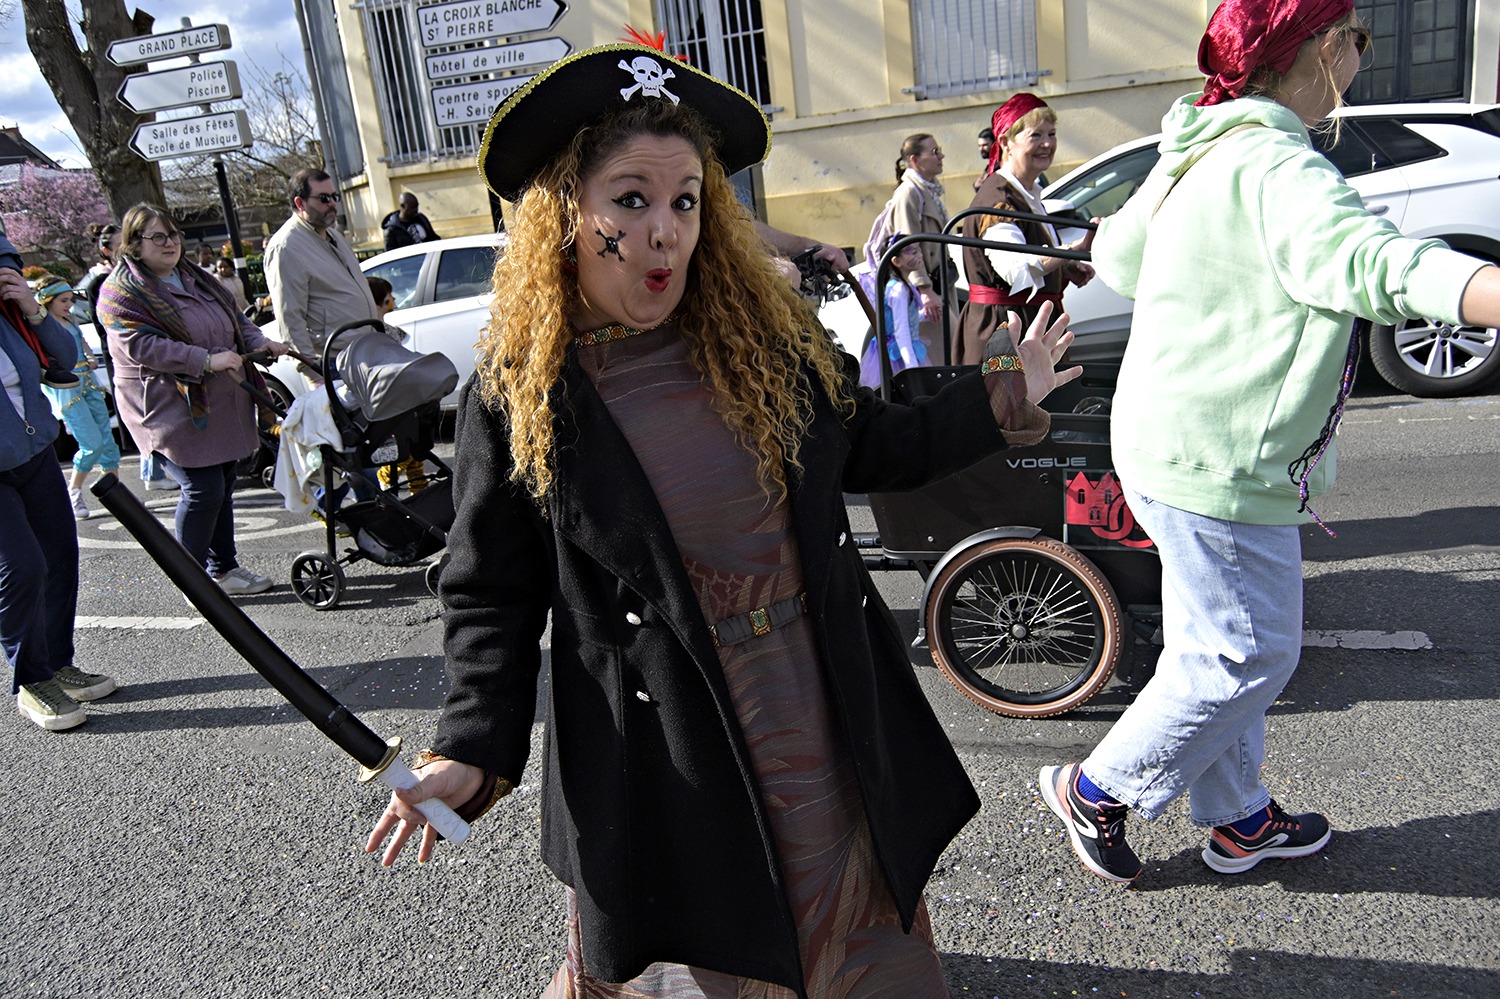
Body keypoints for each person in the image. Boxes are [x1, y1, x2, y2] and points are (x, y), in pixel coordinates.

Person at [363, 41, 1080, 997]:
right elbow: (490, 589)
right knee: (710, 943)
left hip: (814, 700)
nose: (665, 232)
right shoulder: (521, 394)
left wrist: (999, 393)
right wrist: (470, 742)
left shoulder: (765, 344)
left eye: (687, 201)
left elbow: (872, 441)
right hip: (670, 739)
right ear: (567, 214)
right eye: (630, 200)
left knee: (853, 932)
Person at [1038, 0, 1500, 885]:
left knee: (1214, 643)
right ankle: (1098, 787)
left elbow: (1121, 258)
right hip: (1223, 456)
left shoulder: (1196, 150)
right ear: (1322, 49)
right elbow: (1380, 264)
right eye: (1358, 40)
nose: (1361, 57)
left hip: (1169, 443)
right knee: (1247, 650)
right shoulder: (1280, 165)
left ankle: (1239, 816)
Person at [97, 204, 291, 597]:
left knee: (222, 484)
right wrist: (203, 359)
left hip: (219, 399)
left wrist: (261, 342)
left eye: (173, 235)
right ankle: (191, 580)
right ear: (134, 243)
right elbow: (143, 346)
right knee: (203, 489)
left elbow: (236, 321)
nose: (169, 243)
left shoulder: (197, 278)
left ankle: (225, 569)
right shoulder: (120, 292)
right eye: (158, 236)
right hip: (167, 406)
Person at [0, 231, 118, 730]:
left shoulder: (9, 313)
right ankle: (32, 680)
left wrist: (32, 310)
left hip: (36, 453)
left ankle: (55, 663)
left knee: (60, 555)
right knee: (22, 567)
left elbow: (65, 359)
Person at [953, 94, 1096, 366]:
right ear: (1006, 142)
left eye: (1051, 134)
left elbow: (1029, 254)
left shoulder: (1027, 193)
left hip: (1027, 329)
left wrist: (1064, 267)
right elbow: (1015, 269)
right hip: (1004, 335)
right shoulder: (999, 199)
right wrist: (1070, 251)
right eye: (1035, 135)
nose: (1047, 143)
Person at [264, 168, 380, 368]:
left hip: (365, 349)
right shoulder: (286, 247)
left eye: (335, 196)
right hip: (335, 361)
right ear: (300, 203)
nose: (332, 203)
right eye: (324, 198)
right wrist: (312, 372)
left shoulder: (333, 235)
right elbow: (290, 318)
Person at [33, 278, 119, 520]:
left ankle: (116, 495)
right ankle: (74, 491)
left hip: (89, 382)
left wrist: (90, 358)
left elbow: (82, 342)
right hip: (68, 388)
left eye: (70, 300)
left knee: (107, 442)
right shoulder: (43, 326)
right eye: (63, 300)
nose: (69, 305)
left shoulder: (70, 320)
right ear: (47, 301)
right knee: (92, 443)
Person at [888, 133, 954, 361]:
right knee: (939, 356)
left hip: (940, 282)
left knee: (949, 352)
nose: (941, 156)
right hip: (926, 292)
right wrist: (924, 290)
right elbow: (907, 246)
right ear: (915, 160)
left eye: (939, 150)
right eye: (934, 152)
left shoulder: (928, 191)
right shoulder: (908, 193)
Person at [858, 234, 929, 387]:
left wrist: (924, 316)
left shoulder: (904, 285)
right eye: (912, 251)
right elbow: (901, 332)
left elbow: (903, 319)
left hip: (903, 349)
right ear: (896, 261)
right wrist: (911, 370)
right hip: (898, 354)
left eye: (918, 249)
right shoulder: (899, 290)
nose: (920, 255)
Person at [974, 127, 995, 191]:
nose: (981, 149)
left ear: (994, 144)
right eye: (979, 146)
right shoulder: (990, 166)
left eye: (985, 145)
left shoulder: (1000, 165)